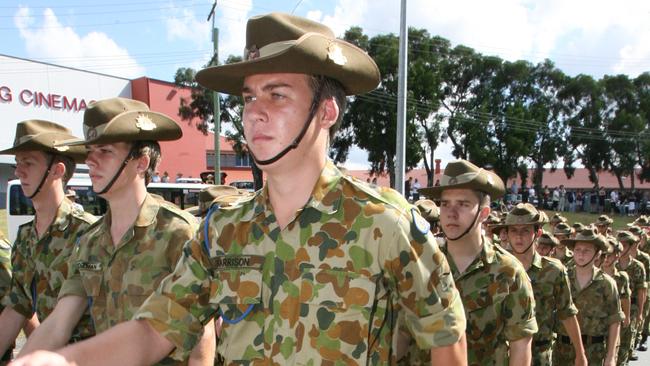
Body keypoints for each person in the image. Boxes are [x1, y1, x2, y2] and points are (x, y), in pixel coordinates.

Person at [13, 14, 467, 366]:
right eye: (249, 97)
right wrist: (59, 358)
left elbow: (446, 339)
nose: (255, 113)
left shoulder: (384, 222)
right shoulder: (223, 232)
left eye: (278, 95)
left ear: (326, 111)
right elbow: (154, 331)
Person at [14, 98, 215, 366]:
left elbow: (203, 337)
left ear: (141, 162)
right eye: (90, 151)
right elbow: (59, 322)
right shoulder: (90, 241)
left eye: (105, 151)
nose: (91, 161)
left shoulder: (179, 232)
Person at [419, 159, 537, 365]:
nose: (451, 213)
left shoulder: (508, 272)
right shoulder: (422, 263)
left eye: (463, 204)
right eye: (445, 204)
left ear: (483, 213)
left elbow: (521, 349)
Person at [0, 121, 97, 359]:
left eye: (28, 163)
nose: (18, 171)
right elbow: (18, 306)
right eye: (17, 163)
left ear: (58, 170)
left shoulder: (89, 233)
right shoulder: (25, 237)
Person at [499, 203, 586, 366]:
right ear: (507, 233)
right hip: (504, 355)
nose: (519, 237)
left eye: (525, 231)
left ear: (537, 233)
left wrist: (580, 353)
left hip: (540, 355)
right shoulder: (498, 269)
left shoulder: (553, 270)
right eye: (514, 231)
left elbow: (567, 312)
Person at [554, 228, 623, 366]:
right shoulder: (562, 278)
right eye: (578, 250)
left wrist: (611, 356)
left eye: (587, 251)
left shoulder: (607, 284)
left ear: (597, 255)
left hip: (594, 351)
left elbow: (614, 320)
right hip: (562, 349)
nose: (581, 255)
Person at [616, 230, 647, 363]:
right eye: (620, 244)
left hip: (632, 308)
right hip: (613, 307)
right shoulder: (610, 263)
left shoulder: (638, 266)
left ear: (630, 246)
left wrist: (640, 313)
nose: (622, 247)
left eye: (625, 244)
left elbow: (641, 291)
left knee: (626, 344)